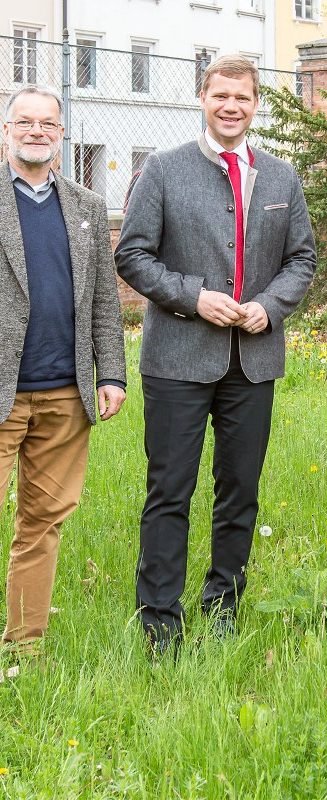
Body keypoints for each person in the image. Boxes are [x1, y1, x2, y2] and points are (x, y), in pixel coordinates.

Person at [115, 55, 316, 655]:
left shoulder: (281, 177)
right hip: (178, 358)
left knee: (240, 490)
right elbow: (133, 255)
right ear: (202, 97)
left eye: (244, 97)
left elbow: (301, 259)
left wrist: (272, 305)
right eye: (221, 95)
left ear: (257, 104)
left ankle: (224, 606)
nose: (232, 106)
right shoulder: (163, 170)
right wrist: (193, 298)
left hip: (252, 363)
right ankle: (159, 620)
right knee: (169, 490)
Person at [0, 85, 126, 656]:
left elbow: (104, 300)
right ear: (7, 131)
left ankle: (25, 647)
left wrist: (112, 374)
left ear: (62, 133)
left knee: (41, 525)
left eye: (47, 123)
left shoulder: (86, 207)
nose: (36, 131)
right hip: (3, 392)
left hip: (63, 396)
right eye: (24, 121)